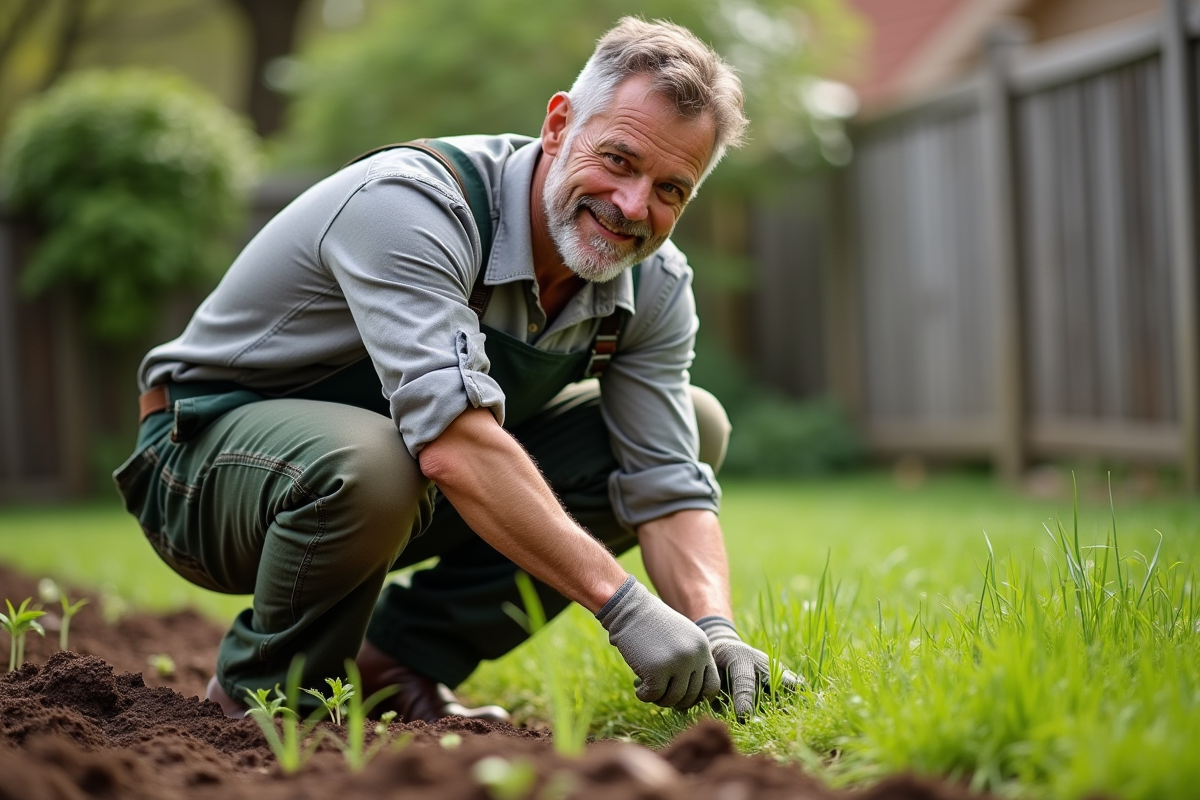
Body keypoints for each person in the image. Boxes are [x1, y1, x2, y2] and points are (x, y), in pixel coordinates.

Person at [114, 16, 797, 724]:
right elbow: (452, 444)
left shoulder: (653, 285)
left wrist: (716, 631)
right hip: (202, 468)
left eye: (670, 189)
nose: (633, 207)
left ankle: (398, 663)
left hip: (399, 481)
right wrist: (623, 607)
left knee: (698, 420)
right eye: (619, 160)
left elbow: (662, 481)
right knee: (379, 462)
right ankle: (261, 703)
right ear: (559, 125)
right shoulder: (412, 205)